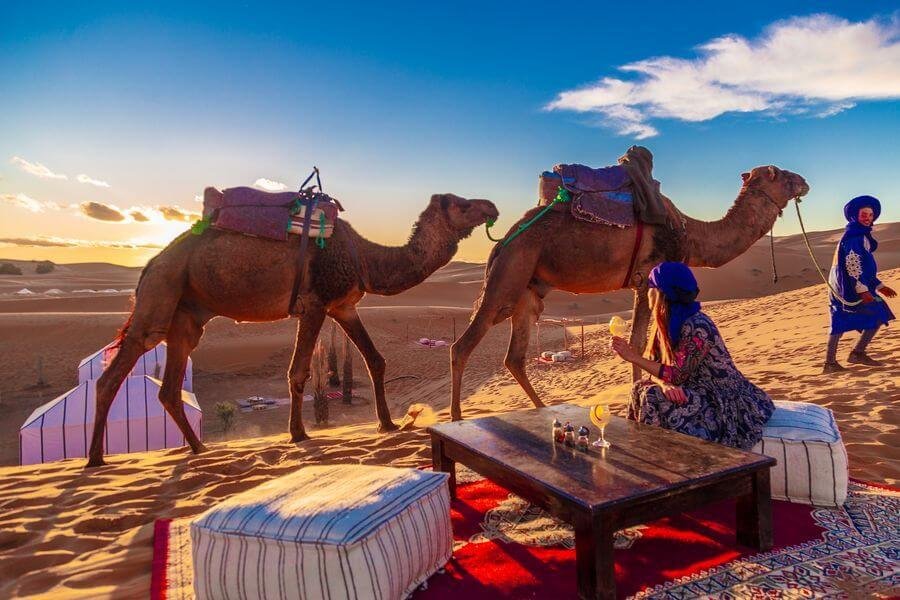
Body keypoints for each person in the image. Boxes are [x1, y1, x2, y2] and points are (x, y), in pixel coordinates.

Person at [610, 262, 774, 450]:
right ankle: (638, 449)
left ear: (662, 293)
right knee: (639, 388)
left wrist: (634, 357)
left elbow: (677, 374)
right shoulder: (666, 324)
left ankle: (653, 458)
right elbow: (659, 369)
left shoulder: (698, 326)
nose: (648, 292)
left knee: (652, 396)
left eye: (651, 287)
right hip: (694, 390)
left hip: (721, 399)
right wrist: (665, 384)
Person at [823, 195, 895, 373]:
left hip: (852, 286)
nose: (868, 218)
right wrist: (862, 290)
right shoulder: (854, 237)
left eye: (871, 215)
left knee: (874, 315)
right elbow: (852, 264)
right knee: (845, 320)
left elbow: (865, 266)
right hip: (847, 288)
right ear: (855, 215)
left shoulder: (860, 235)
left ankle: (855, 354)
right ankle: (833, 362)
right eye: (864, 214)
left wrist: (879, 285)